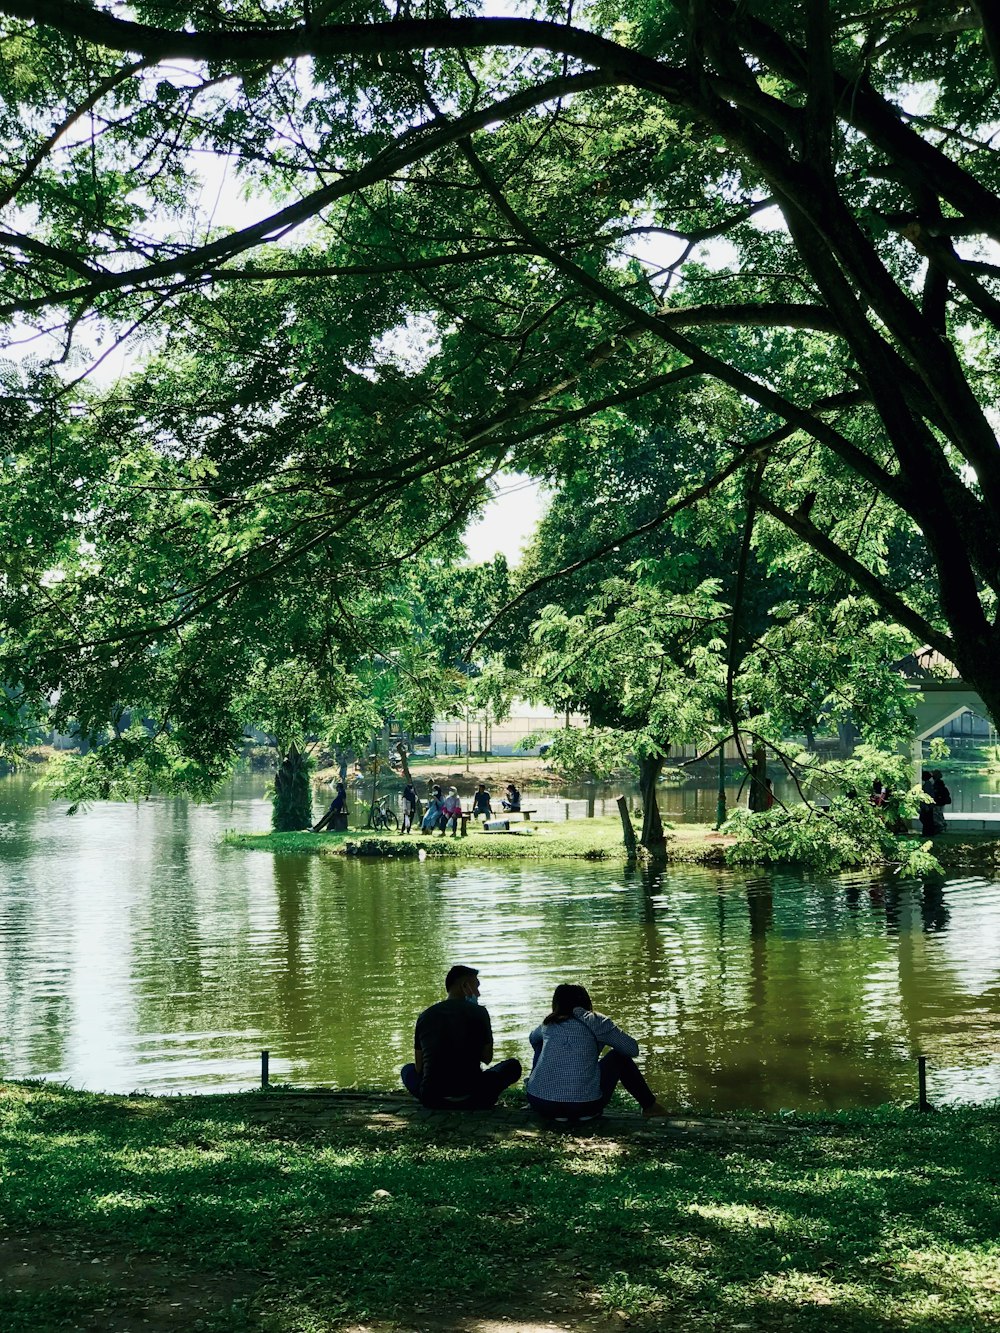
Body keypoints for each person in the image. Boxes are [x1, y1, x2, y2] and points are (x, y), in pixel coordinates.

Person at [525, 983, 668, 1122]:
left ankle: (540, 1091)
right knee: (618, 1057)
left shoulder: (549, 1023)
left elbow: (533, 1039)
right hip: (585, 1107)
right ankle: (651, 1107)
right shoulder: (597, 1021)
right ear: (586, 1001)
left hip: (541, 1104)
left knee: (540, 1043)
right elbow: (632, 1050)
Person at [400, 965, 522, 1110]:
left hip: (432, 1098)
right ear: (465, 986)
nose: (478, 993)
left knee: (407, 1070)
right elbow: (487, 1058)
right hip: (473, 1097)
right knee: (512, 1066)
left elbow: (419, 1068)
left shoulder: (425, 1016)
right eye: (476, 987)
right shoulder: (479, 1013)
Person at [931, 769, 952, 834]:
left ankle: (941, 827)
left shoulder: (937, 785)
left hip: (938, 802)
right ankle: (942, 827)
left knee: (937, 815)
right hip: (940, 802)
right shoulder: (940, 784)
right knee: (939, 814)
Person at [919, 770, 936, 836]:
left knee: (926, 819)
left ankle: (927, 833)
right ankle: (928, 832)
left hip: (927, 806)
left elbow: (928, 795)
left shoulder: (927, 785)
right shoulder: (928, 784)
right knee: (927, 819)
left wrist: (927, 806)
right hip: (928, 806)